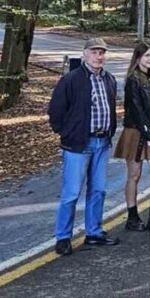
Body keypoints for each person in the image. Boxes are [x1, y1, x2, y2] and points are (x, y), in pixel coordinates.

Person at [49, 38, 120, 256]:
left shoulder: (109, 79)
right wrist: (67, 133)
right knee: (71, 193)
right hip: (78, 144)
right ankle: (63, 237)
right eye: (94, 52)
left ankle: (94, 232)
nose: (99, 56)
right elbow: (56, 111)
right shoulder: (71, 80)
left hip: (102, 142)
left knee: (98, 190)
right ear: (85, 54)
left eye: (102, 53)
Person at [114, 42, 150, 233]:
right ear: (138, 57)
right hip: (136, 132)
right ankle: (132, 216)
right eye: (147, 55)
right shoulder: (133, 80)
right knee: (134, 175)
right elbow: (136, 109)